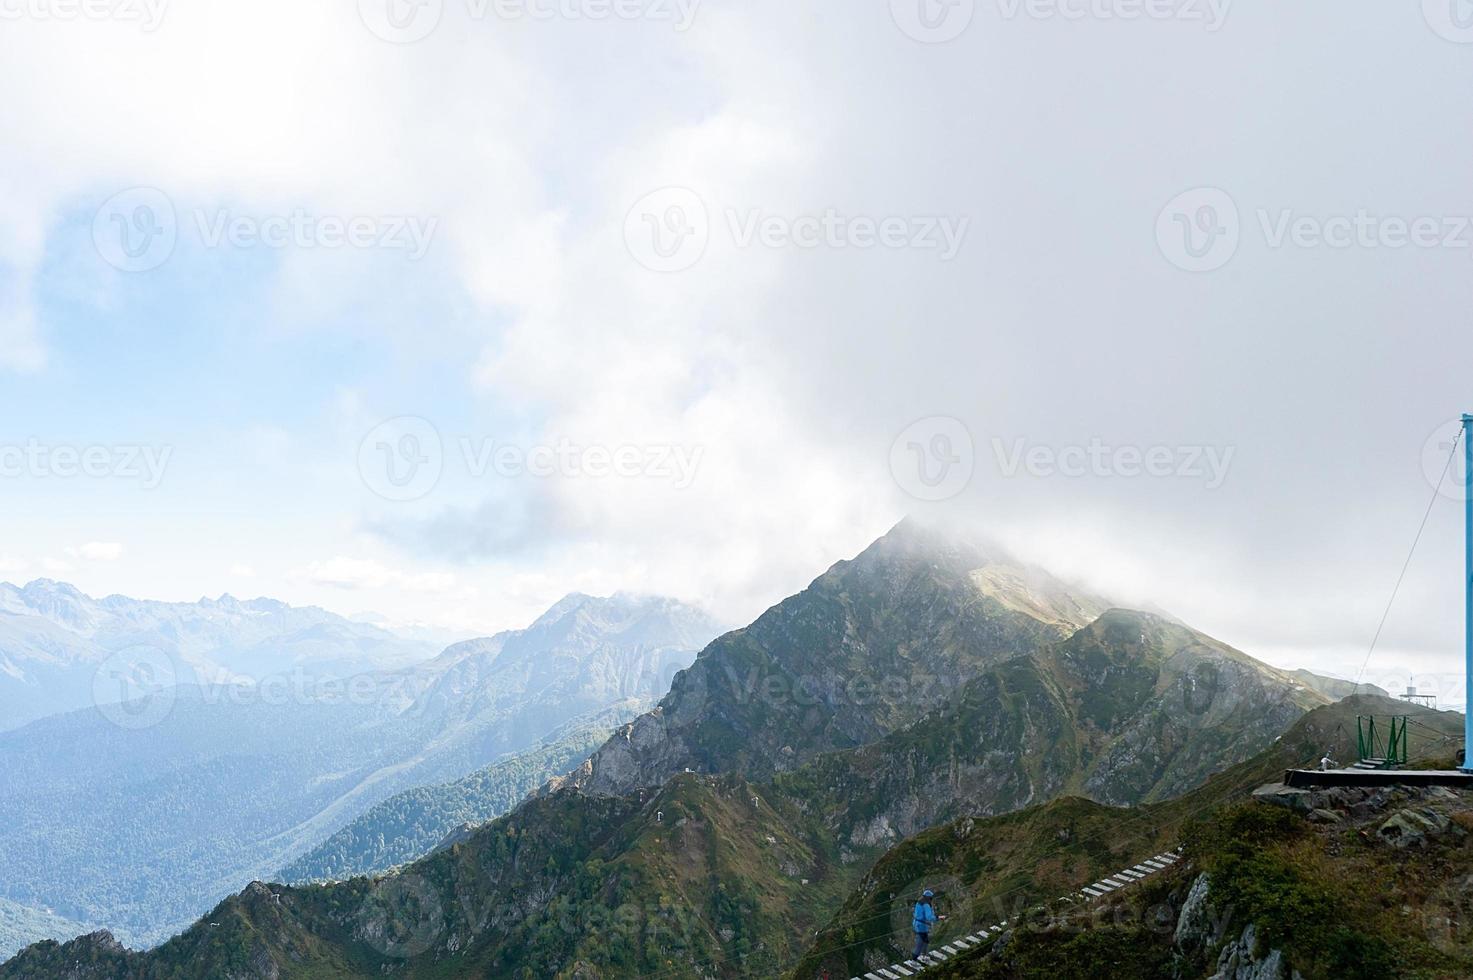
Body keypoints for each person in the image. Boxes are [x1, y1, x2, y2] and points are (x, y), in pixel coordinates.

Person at [912, 889, 944, 959]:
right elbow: (929, 917)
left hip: (916, 924)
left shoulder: (919, 902)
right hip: (922, 926)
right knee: (920, 943)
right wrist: (938, 917)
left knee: (925, 940)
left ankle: (924, 956)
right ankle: (914, 960)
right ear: (929, 898)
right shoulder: (926, 904)